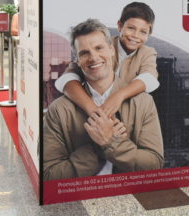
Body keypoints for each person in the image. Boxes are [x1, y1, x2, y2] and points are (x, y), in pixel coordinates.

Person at [43, 19, 163, 180]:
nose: (93, 57)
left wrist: (111, 143)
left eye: (99, 48)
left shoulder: (143, 102)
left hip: (129, 191)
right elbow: (49, 175)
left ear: (112, 49)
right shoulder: (59, 110)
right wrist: (101, 144)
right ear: (77, 60)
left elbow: (154, 165)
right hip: (80, 193)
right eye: (84, 53)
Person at [54, 2, 159, 118]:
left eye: (143, 32)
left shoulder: (147, 53)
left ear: (149, 34)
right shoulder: (102, 44)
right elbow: (67, 79)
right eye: (131, 28)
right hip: (93, 105)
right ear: (120, 26)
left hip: (126, 111)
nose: (135, 35)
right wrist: (92, 109)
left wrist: (119, 96)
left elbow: (150, 79)